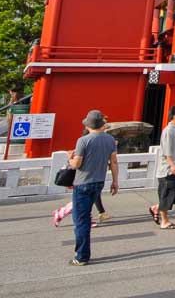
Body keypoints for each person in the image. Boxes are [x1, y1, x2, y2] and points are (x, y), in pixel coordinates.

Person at [67, 110, 119, 265]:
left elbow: (77, 164)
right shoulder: (110, 140)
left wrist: (69, 159)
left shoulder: (83, 141)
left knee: (81, 221)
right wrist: (115, 181)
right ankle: (82, 254)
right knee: (85, 218)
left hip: (83, 182)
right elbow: (114, 163)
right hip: (99, 182)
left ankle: (81, 256)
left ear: (88, 125)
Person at [151, 104, 175, 228]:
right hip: (168, 169)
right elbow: (167, 151)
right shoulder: (168, 131)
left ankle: (156, 208)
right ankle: (165, 221)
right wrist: (172, 165)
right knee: (167, 194)